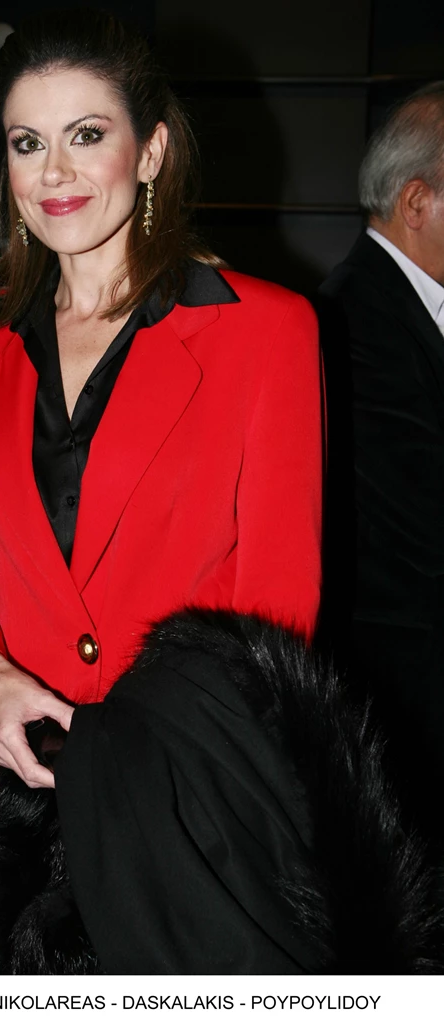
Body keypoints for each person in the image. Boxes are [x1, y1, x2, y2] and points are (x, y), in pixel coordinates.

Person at [0, 10, 322, 817]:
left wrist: (167, 747)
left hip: (191, 782)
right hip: (21, 782)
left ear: (152, 151)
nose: (54, 172)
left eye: (87, 135)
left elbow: (277, 605)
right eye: (28, 143)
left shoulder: (267, 332)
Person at [318, 83, 444, 838]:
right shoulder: (353, 319)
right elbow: (422, 525)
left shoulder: (409, 305)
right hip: (405, 708)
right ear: (418, 201)